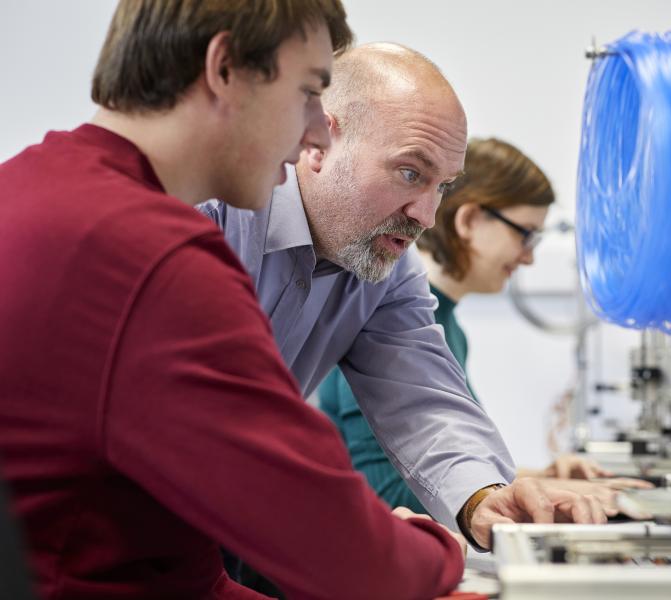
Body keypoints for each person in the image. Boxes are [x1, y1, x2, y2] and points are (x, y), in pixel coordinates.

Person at [0, 2, 474, 598]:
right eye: (307, 93)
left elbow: (170, 566)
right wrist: (437, 553)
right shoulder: (152, 255)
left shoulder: (28, 186)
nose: (314, 133)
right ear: (224, 68)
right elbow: (342, 552)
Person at [200, 41, 622, 563]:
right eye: (409, 173)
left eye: (443, 186)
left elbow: (422, 398)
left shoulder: (387, 270)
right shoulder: (213, 215)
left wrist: (481, 497)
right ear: (318, 140)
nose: (426, 214)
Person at [318, 137, 641, 514]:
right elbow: (389, 493)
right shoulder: (389, 324)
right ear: (469, 219)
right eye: (525, 234)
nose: (529, 258)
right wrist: (545, 489)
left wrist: (541, 479)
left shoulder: (447, 325)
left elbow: (444, 473)